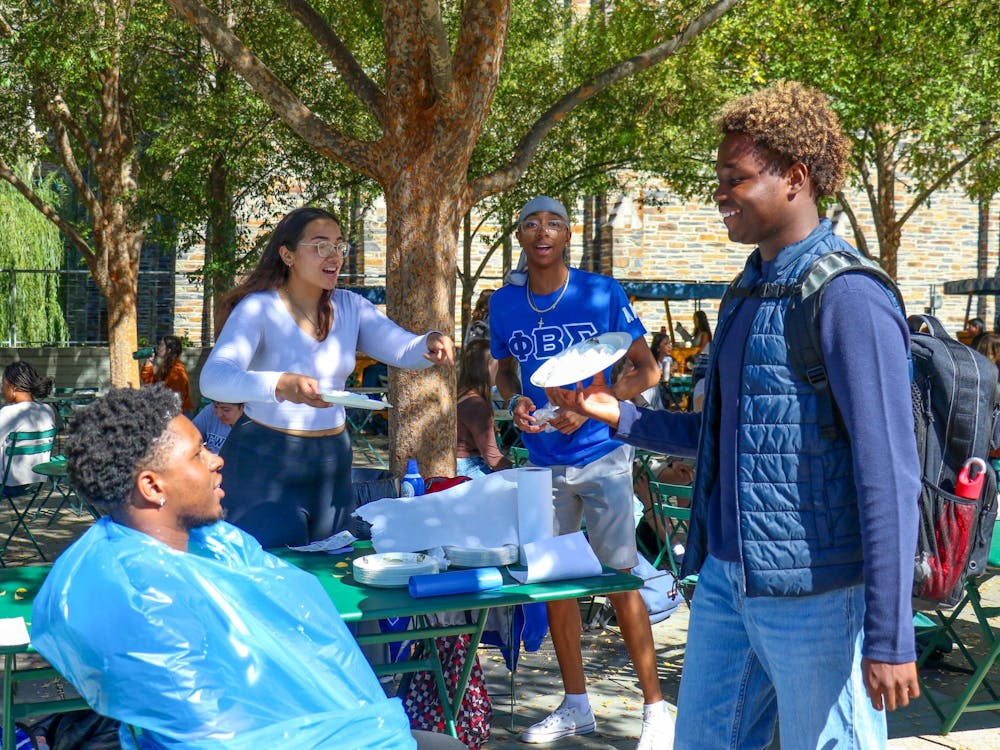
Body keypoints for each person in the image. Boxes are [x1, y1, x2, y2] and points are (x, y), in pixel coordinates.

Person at [547, 81, 922, 749]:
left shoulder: (848, 298)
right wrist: (617, 416)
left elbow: (888, 476)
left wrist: (891, 637)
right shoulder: (746, 292)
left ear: (794, 180)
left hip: (819, 597)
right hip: (724, 583)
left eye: (735, 177)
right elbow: (724, 438)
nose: (719, 193)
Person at [30, 386, 462, 750]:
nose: (217, 460)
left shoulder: (214, 548)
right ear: (152, 485)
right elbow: (215, 734)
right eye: (198, 455)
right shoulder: (144, 597)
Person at [489, 195, 672, 748]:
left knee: (620, 580)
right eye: (530, 224)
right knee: (556, 585)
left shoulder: (601, 292)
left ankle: (656, 710)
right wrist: (515, 404)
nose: (542, 232)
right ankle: (575, 705)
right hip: (543, 463)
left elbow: (648, 370)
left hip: (603, 455)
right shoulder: (504, 303)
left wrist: (594, 403)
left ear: (567, 235)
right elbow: (503, 374)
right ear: (518, 236)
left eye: (554, 224)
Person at [199, 206, 454, 548]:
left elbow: (403, 348)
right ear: (287, 255)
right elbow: (213, 378)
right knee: (273, 574)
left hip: (332, 462)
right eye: (320, 245)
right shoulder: (259, 307)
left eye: (338, 245)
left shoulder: (351, 306)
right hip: (265, 463)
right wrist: (280, 384)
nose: (334, 255)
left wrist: (431, 342)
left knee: (328, 571)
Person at [456, 339, 511, 478]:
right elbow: (492, 457)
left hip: (458, 466)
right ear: (486, 367)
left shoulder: (460, 395)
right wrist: (517, 470)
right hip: (468, 469)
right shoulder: (477, 405)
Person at [0, 361, 55, 488]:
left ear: (13, 387)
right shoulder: (47, 409)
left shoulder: (7, 413)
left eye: (3, 385)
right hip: (37, 479)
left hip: (9, 483)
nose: (2, 389)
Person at [140, 335, 194, 413]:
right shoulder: (165, 365)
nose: (158, 347)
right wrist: (149, 363)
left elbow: (176, 399)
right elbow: (151, 384)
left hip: (179, 414)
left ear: (169, 350)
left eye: (161, 345)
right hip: (167, 409)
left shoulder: (177, 370)